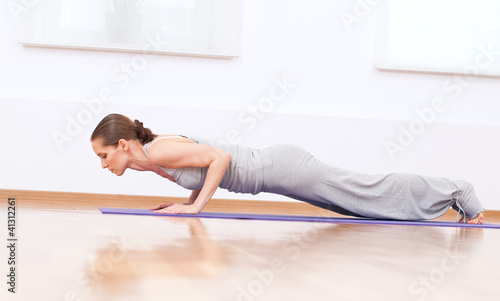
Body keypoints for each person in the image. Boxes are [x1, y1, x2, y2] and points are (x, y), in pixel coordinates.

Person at [90, 113, 485, 224]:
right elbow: (206, 165)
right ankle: (447, 203)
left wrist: (195, 208)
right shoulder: (153, 159)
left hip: (282, 168)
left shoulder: (157, 152)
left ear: (123, 145)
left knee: (364, 189)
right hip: (280, 172)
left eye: (104, 156)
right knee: (359, 204)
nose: (104, 165)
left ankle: (457, 191)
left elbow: (220, 159)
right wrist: (184, 204)